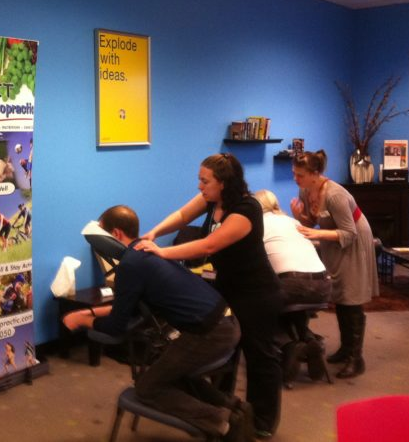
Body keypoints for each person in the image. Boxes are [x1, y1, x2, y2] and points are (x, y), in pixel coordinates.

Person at [135, 153, 282, 439]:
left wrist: (162, 252)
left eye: (205, 181)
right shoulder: (212, 199)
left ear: (224, 183)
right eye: (199, 180)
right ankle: (230, 414)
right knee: (225, 355)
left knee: (260, 356)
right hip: (227, 289)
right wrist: (154, 233)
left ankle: (262, 422)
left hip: (257, 294)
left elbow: (209, 246)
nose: (200, 186)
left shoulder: (246, 209)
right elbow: (182, 216)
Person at [64, 205, 241, 438]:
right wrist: (91, 312)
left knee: (147, 388)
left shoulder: (130, 265)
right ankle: (236, 408)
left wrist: (81, 320)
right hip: (226, 322)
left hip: (209, 333)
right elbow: (129, 307)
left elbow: (116, 327)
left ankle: (224, 422)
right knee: (170, 373)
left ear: (116, 234)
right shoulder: (147, 253)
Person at [289, 150, 378, 379]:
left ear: (315, 174)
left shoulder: (335, 195)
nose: (296, 179)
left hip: (354, 241)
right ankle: (346, 349)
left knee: (351, 295)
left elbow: (349, 233)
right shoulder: (306, 190)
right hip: (333, 240)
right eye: (294, 174)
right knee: (339, 294)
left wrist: (318, 234)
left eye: (300, 175)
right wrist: (299, 216)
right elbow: (313, 222)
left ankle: (356, 359)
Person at [253, 189, 331, 383]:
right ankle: (309, 340)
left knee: (257, 307)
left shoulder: (258, 225)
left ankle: (289, 345)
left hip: (292, 284)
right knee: (291, 305)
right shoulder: (293, 222)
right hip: (324, 285)